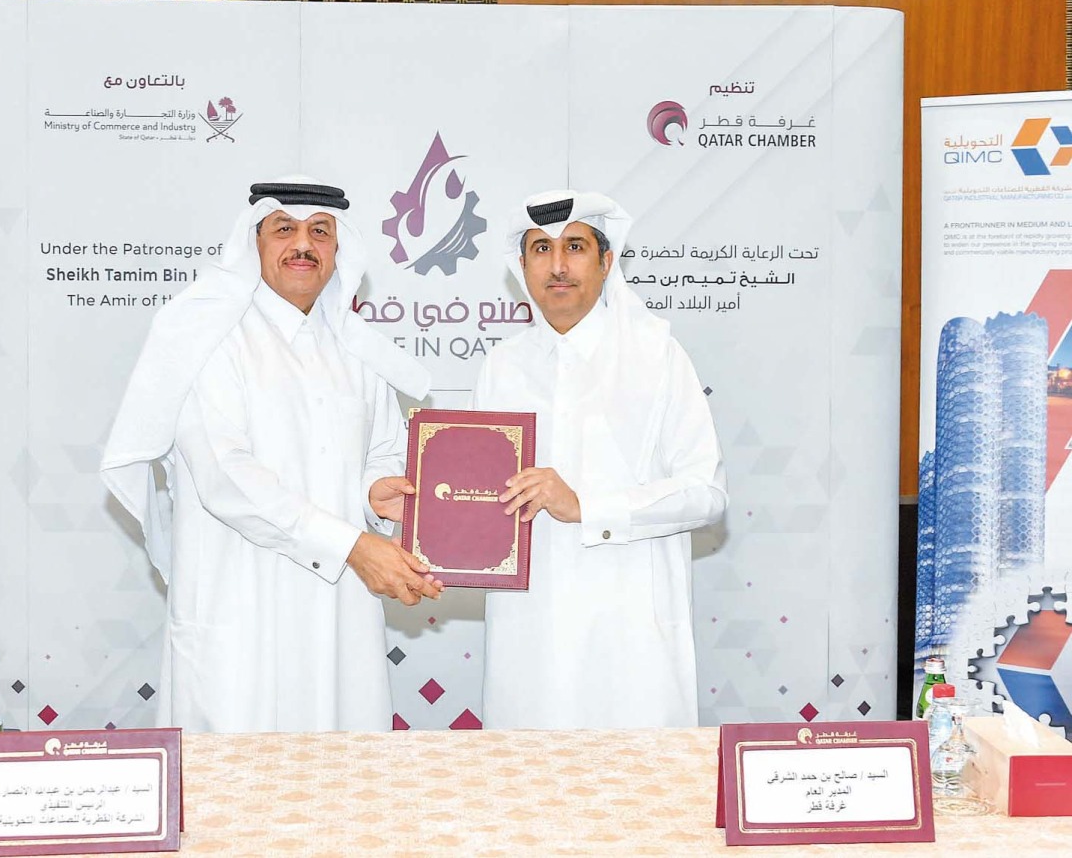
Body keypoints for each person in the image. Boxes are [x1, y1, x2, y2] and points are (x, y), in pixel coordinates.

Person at [101, 178, 442, 733]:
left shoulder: (356, 348)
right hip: (241, 604)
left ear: (338, 250)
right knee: (233, 791)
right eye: (285, 229)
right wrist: (353, 545)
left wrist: (377, 495)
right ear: (253, 243)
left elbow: (382, 451)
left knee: (341, 784)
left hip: (338, 615)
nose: (303, 245)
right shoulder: (208, 338)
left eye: (320, 233)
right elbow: (227, 478)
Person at [473, 190, 727, 729]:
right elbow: (480, 497)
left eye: (576, 248)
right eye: (541, 248)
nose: (558, 265)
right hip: (528, 635)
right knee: (525, 794)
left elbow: (706, 493)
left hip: (630, 637)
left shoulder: (655, 354)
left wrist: (588, 506)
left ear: (607, 262)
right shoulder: (502, 365)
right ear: (521, 266)